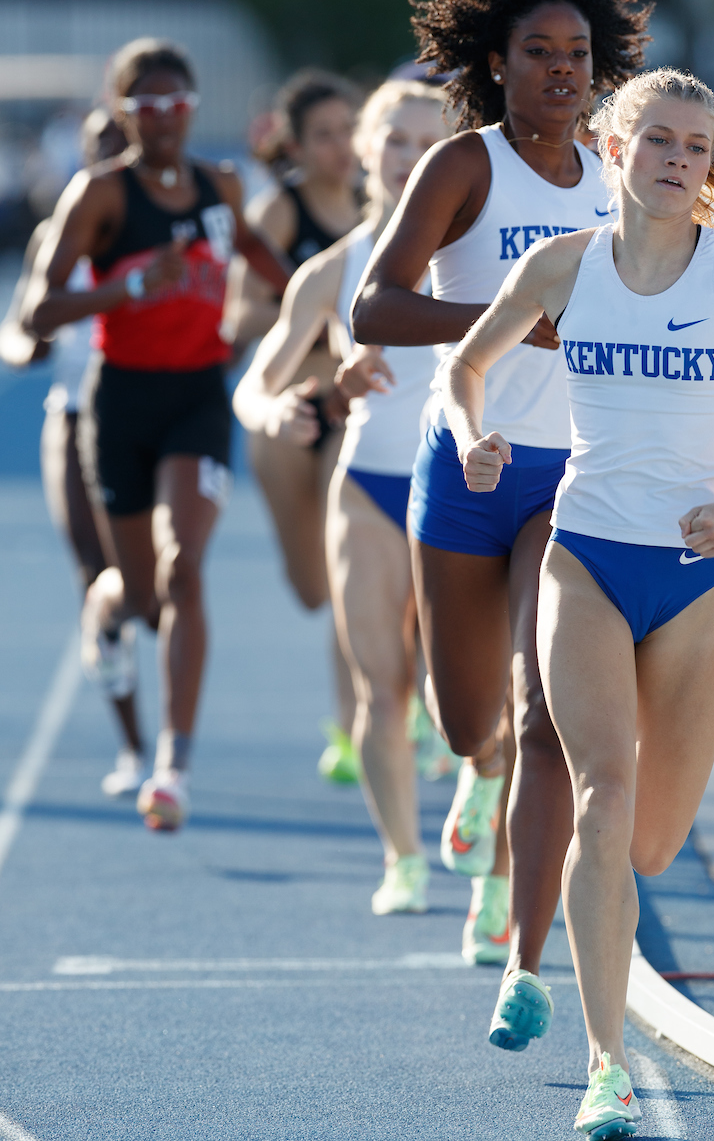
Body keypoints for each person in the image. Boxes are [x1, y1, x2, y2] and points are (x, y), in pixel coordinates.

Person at [443, 67, 714, 1138]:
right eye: (657, 140)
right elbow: (465, 368)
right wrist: (473, 435)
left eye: (695, 148)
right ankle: (606, 1065)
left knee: (651, 844)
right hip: (586, 558)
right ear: (613, 150)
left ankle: (600, 986)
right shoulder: (562, 267)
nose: (676, 161)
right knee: (601, 800)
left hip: (699, 578)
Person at [353, 0, 649, 992]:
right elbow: (375, 307)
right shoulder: (464, 167)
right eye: (539, 51)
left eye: (578, 52)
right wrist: (510, 322)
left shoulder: (618, 173)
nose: (562, 69)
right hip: (467, 467)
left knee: (542, 711)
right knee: (469, 719)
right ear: (497, 60)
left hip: (572, 479)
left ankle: (524, 960)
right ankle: (474, 776)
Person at [23, 37, 291, 832]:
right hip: (121, 402)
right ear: (123, 112)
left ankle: (172, 765)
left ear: (193, 107)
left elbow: (262, 257)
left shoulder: (221, 184)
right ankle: (105, 606)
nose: (166, 117)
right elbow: (39, 311)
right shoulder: (100, 194)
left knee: (186, 569)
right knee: (141, 597)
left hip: (198, 398)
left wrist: (315, 312)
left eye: (178, 103)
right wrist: (131, 285)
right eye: (147, 105)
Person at [233, 78, 453, 916]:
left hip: (463, 491)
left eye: (429, 144)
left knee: (471, 699)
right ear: (366, 149)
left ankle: (492, 853)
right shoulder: (332, 270)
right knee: (380, 688)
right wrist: (280, 410)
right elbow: (254, 385)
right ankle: (402, 860)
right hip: (367, 485)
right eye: (395, 140)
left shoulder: (485, 258)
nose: (410, 158)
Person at [0, 107, 147, 796]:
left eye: (120, 149)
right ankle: (134, 747)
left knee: (156, 590)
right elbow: (18, 329)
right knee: (95, 573)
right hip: (74, 415)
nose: (106, 162)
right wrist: (26, 346)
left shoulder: (162, 231)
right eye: (96, 150)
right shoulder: (56, 235)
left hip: (151, 415)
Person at [224, 71, 362, 772]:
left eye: (348, 131)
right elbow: (237, 317)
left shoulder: (380, 205)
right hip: (286, 407)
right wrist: (304, 306)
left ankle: (355, 726)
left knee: (354, 573)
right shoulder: (280, 212)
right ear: (297, 146)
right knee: (313, 589)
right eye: (324, 136)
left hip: (353, 406)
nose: (342, 147)